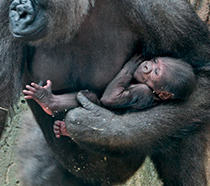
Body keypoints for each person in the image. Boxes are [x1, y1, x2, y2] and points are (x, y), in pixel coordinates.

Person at [23, 55, 196, 137]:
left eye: (156, 71)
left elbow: (109, 99)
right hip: (101, 115)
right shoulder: (146, 86)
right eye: (155, 60)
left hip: (104, 117)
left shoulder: (144, 93)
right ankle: (59, 112)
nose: (147, 65)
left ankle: (54, 105)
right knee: (88, 97)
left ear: (163, 94)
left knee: (89, 98)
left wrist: (128, 69)